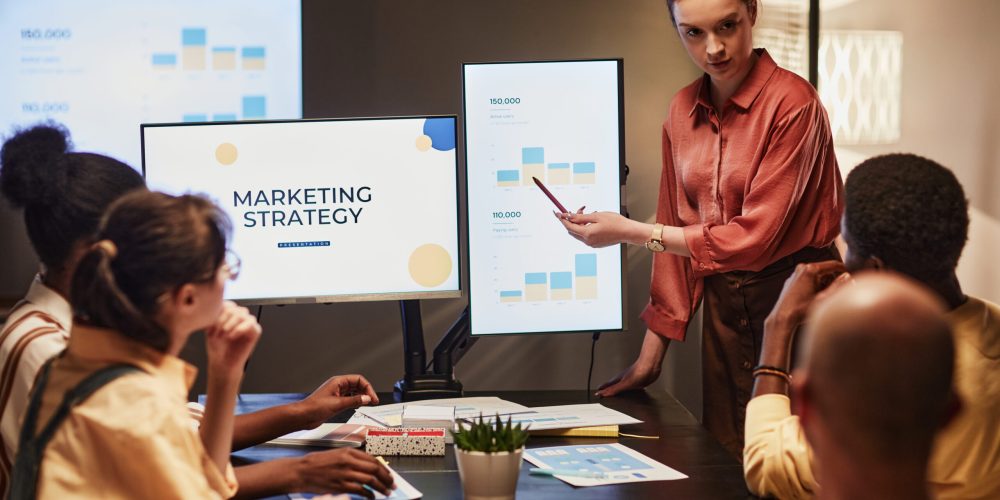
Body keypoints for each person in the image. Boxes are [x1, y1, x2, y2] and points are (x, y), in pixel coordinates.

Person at [0, 124, 393, 497]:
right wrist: (299, 473)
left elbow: (182, 442)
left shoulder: (91, 345)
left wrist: (298, 411)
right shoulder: (62, 356)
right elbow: (187, 482)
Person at [557, 0, 842, 457]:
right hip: (726, 309)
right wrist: (649, 360)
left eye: (727, 26)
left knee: (803, 460)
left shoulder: (794, 103)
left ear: (752, 11)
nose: (714, 48)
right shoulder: (681, 110)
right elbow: (674, 226)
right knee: (732, 457)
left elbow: (753, 239)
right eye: (693, 33)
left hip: (802, 300)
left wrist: (629, 231)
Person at [744, 153, 1000, 499]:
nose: (841, 252)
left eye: (846, 242)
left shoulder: (881, 365)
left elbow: (765, 466)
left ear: (876, 268)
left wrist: (778, 326)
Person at [792, 273, 956, 500]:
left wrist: (778, 325)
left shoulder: (782, 467)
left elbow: (764, 461)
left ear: (804, 403)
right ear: (952, 411)